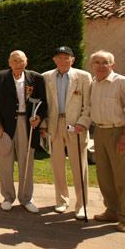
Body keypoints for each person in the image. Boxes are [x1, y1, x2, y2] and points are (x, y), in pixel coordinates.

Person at [89, 50, 125, 232]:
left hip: (119, 132)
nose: (101, 66)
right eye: (97, 62)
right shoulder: (94, 83)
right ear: (92, 66)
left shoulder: (122, 82)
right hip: (100, 132)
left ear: (113, 65)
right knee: (104, 176)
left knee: (123, 177)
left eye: (105, 62)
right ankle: (112, 210)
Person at [0, 50, 46, 213]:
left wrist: (39, 117)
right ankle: (8, 196)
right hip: (5, 126)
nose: (18, 64)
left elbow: (44, 103)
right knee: (5, 162)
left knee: (26, 162)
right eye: (14, 61)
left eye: (21, 61)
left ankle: (26, 198)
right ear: (9, 63)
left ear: (26, 62)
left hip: (27, 125)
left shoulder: (36, 78)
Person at [39, 46, 92, 219]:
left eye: (66, 57)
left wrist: (83, 122)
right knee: (57, 165)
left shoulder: (83, 77)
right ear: (54, 60)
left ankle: (81, 205)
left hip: (76, 126)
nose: (63, 61)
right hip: (54, 125)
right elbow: (43, 104)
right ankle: (61, 200)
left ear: (72, 59)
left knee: (79, 167)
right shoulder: (46, 77)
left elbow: (88, 105)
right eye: (59, 58)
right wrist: (44, 125)